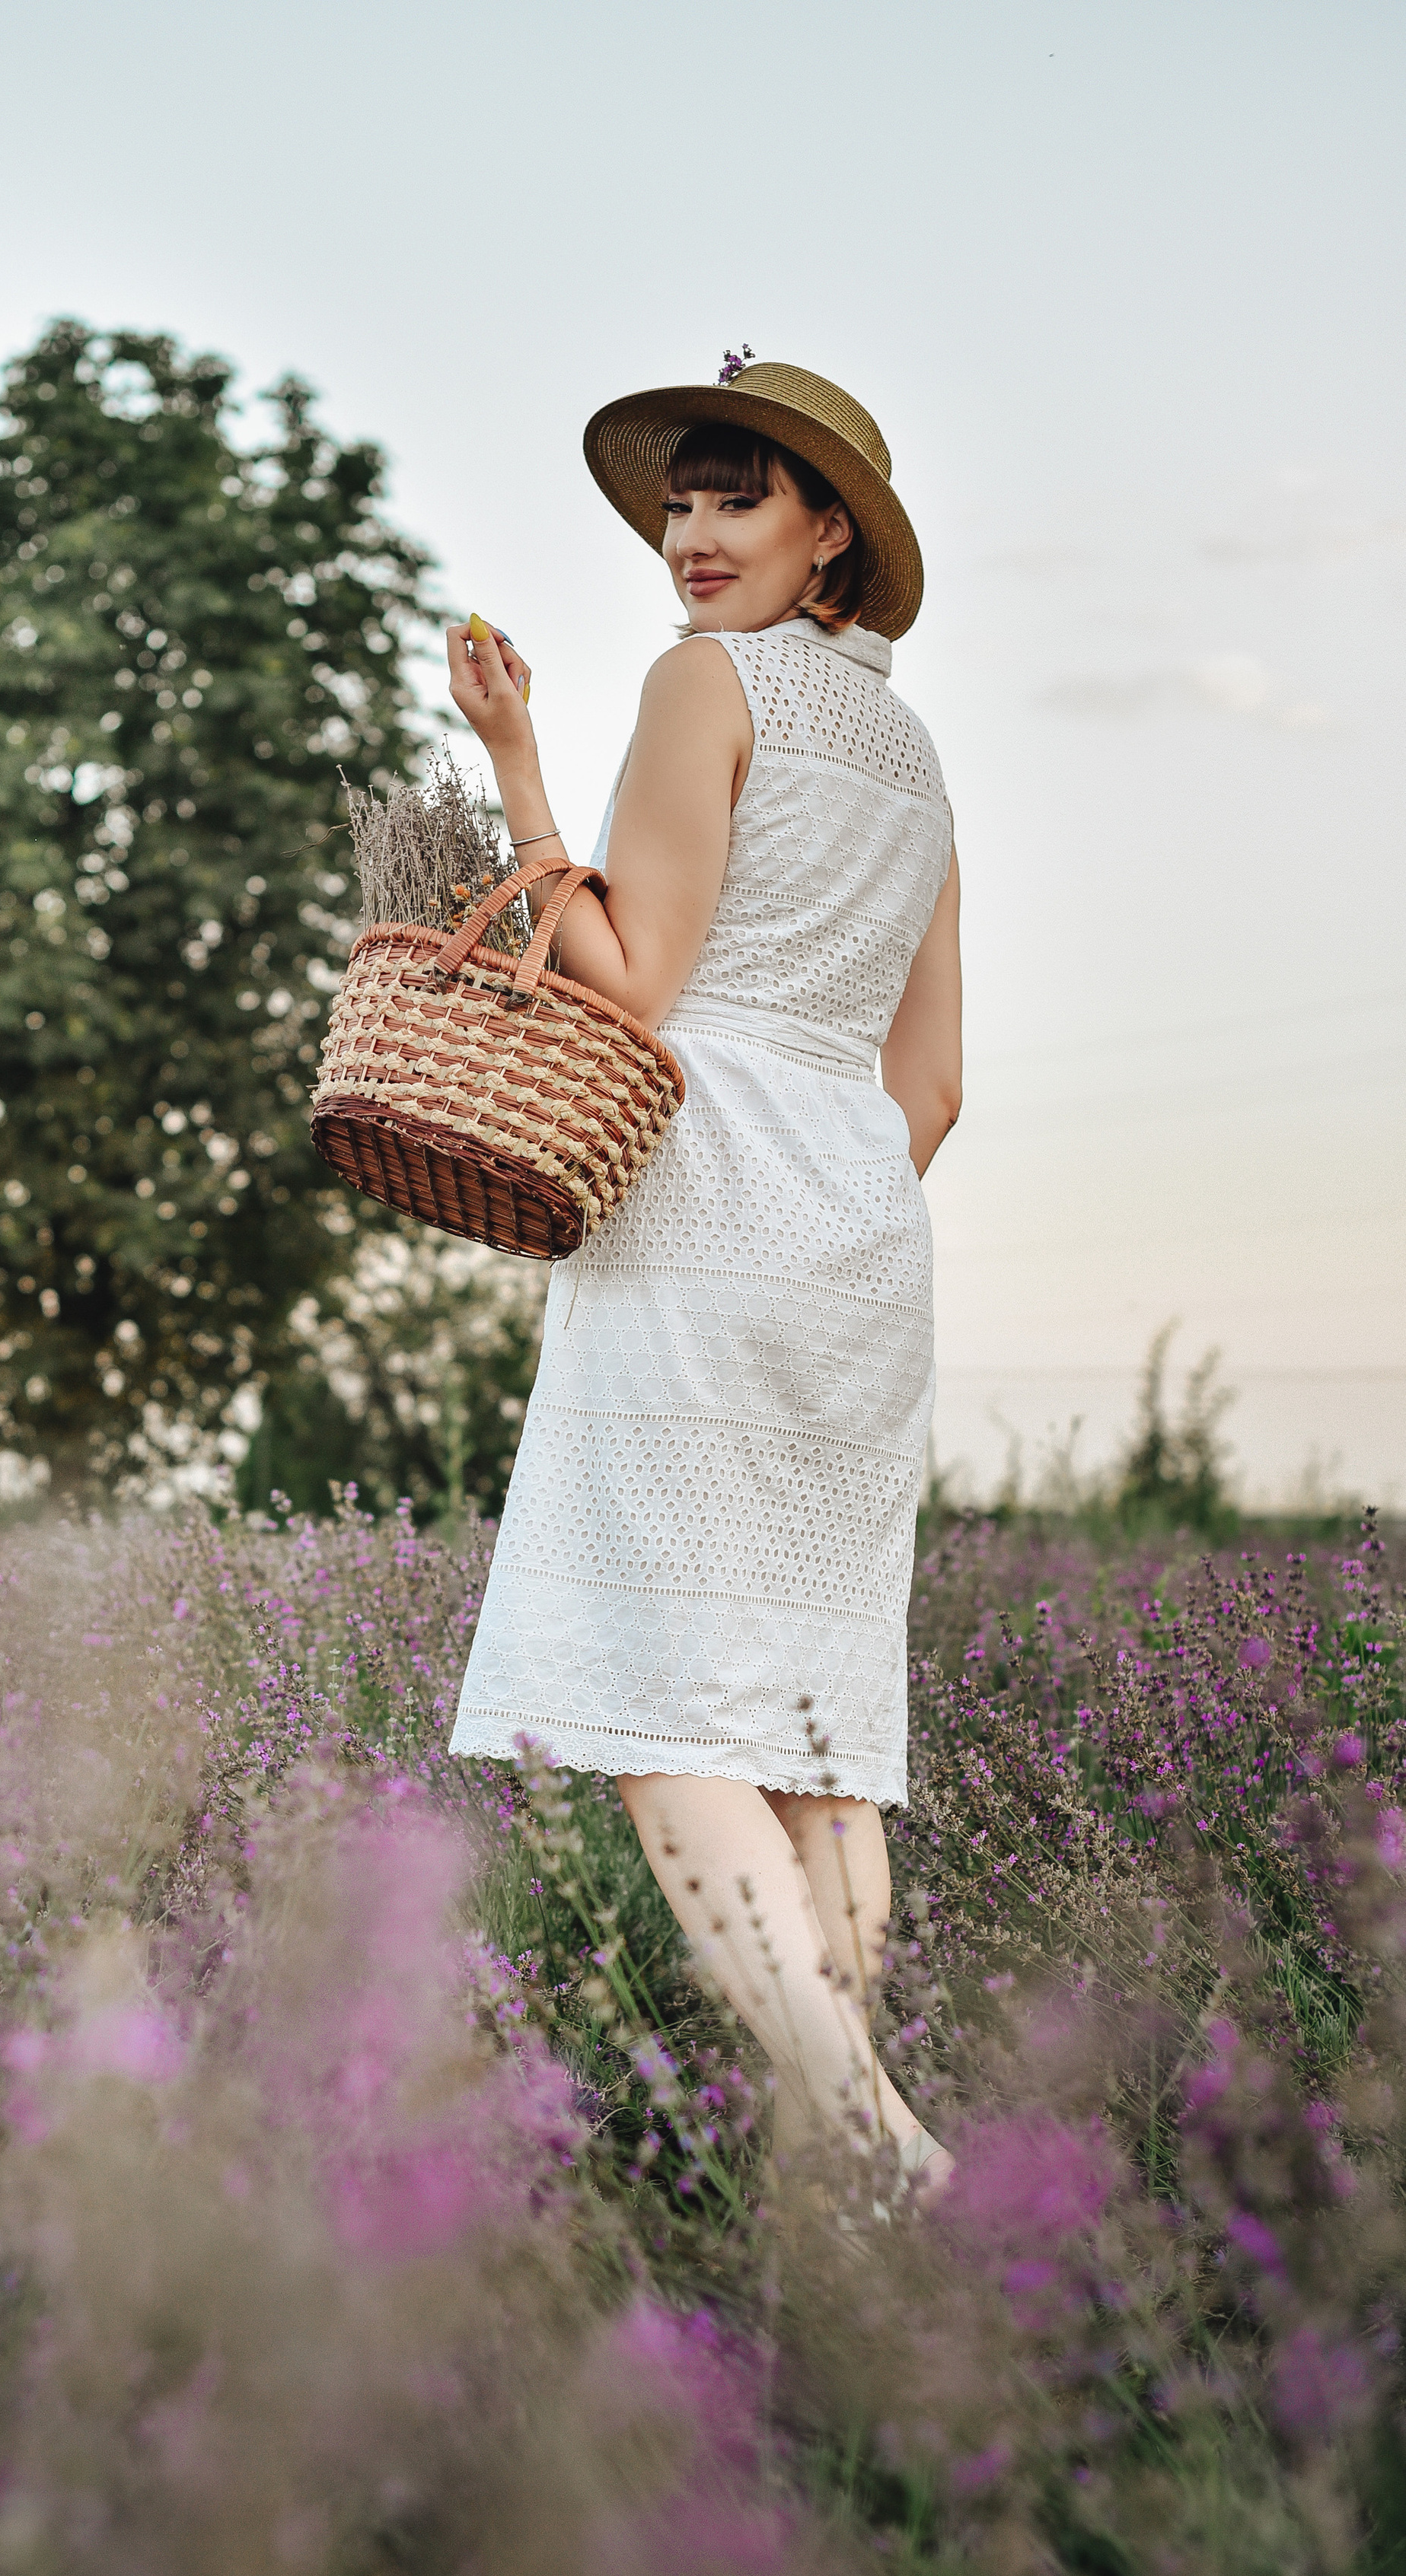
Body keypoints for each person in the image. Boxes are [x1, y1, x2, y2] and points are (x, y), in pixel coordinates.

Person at [445, 358, 961, 2202]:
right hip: (856, 1238)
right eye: (680, 502)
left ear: (828, 530)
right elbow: (933, 1086)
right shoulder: (913, 758)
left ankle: (874, 2144)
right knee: (814, 1732)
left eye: (733, 501)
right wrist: (825, 1201)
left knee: (662, 1710)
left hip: (702, 1211)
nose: (689, 538)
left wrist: (514, 772)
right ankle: (858, 2163)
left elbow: (629, 977)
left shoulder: (700, 683)